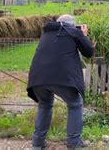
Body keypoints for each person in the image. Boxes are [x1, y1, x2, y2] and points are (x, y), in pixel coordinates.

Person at [27, 14, 94, 149]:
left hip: (38, 77)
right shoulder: (73, 32)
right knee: (75, 104)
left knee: (45, 104)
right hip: (62, 77)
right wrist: (84, 35)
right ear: (72, 25)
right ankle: (74, 143)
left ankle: (37, 143)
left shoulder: (46, 33)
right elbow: (88, 52)